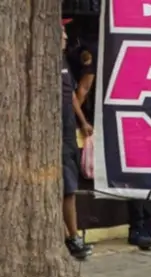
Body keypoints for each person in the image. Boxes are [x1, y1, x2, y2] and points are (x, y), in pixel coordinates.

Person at [61, 22, 93, 259]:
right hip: (57, 136)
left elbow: (72, 95)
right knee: (67, 189)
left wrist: (82, 121)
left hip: (69, 131)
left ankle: (72, 235)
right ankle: (72, 237)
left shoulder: (62, 63)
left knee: (70, 186)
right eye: (60, 31)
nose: (65, 36)